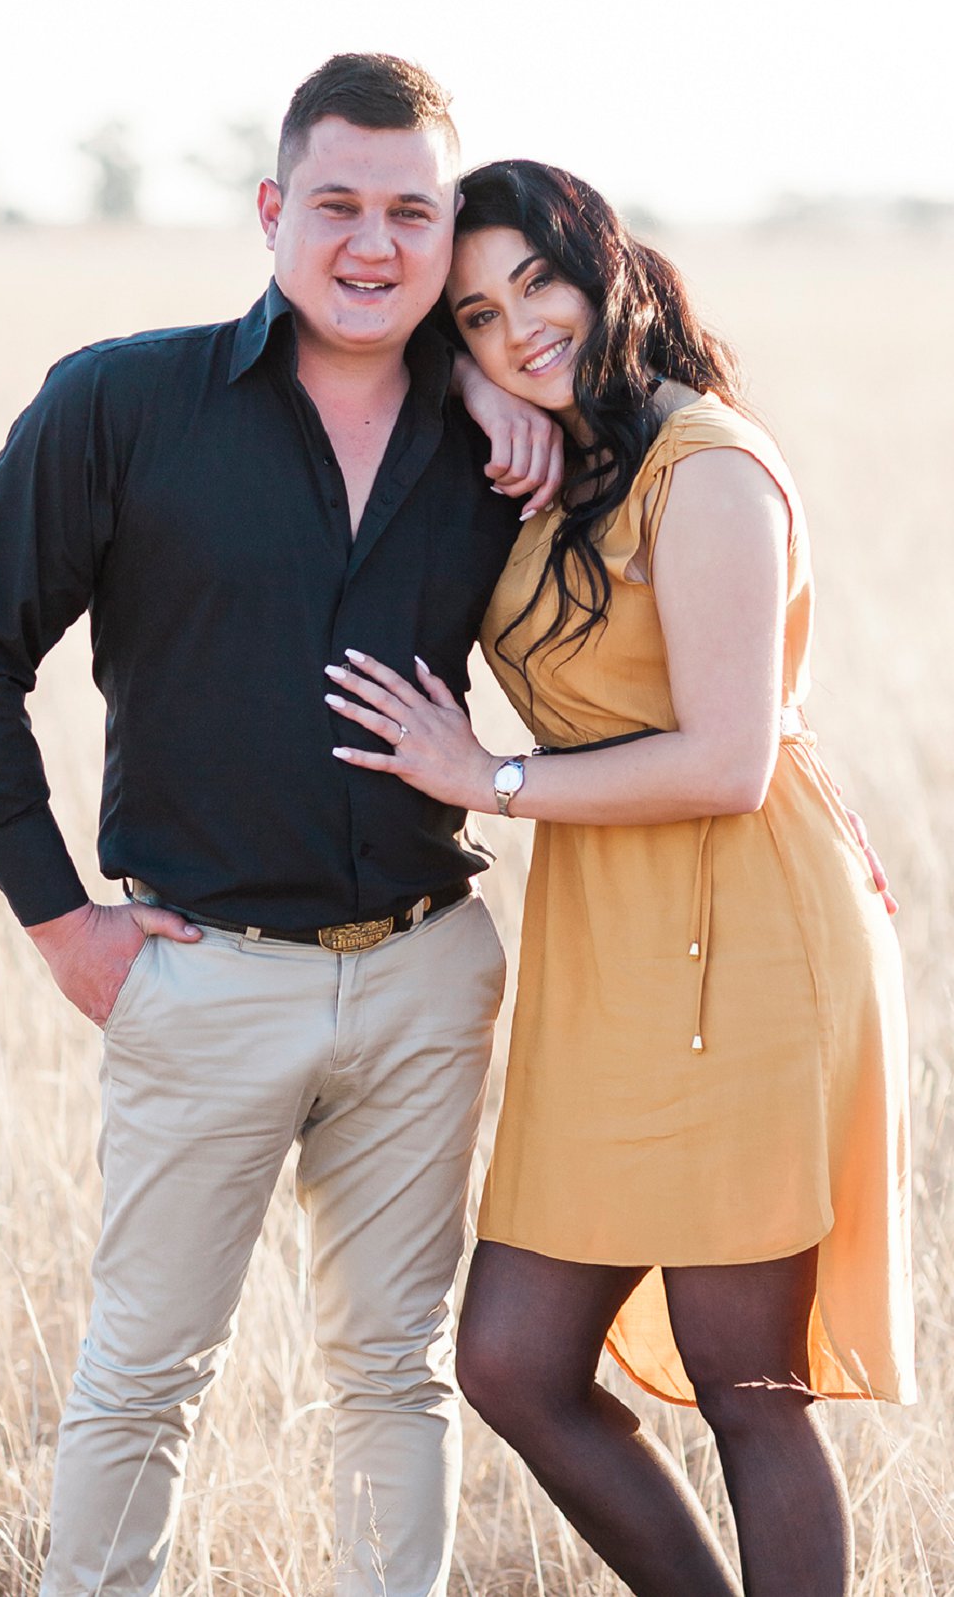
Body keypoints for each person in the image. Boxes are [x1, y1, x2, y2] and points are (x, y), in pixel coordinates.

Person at [0, 63, 562, 1597]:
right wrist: (60, 919)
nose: (372, 244)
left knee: (391, 1375)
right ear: (275, 210)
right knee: (143, 1379)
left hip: (425, 973)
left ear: (447, 230)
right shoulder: (124, 404)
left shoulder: (502, 443)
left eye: (413, 213)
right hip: (204, 977)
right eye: (336, 204)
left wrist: (492, 389)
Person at [324, 159, 915, 1597]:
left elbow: (728, 762)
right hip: (611, 944)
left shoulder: (704, 463)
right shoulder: (562, 452)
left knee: (743, 1381)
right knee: (514, 1360)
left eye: (540, 282)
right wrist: (477, 392)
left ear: (607, 263)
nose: (522, 324)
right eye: (477, 314)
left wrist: (490, 783)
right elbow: (345, 331)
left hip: (750, 931)